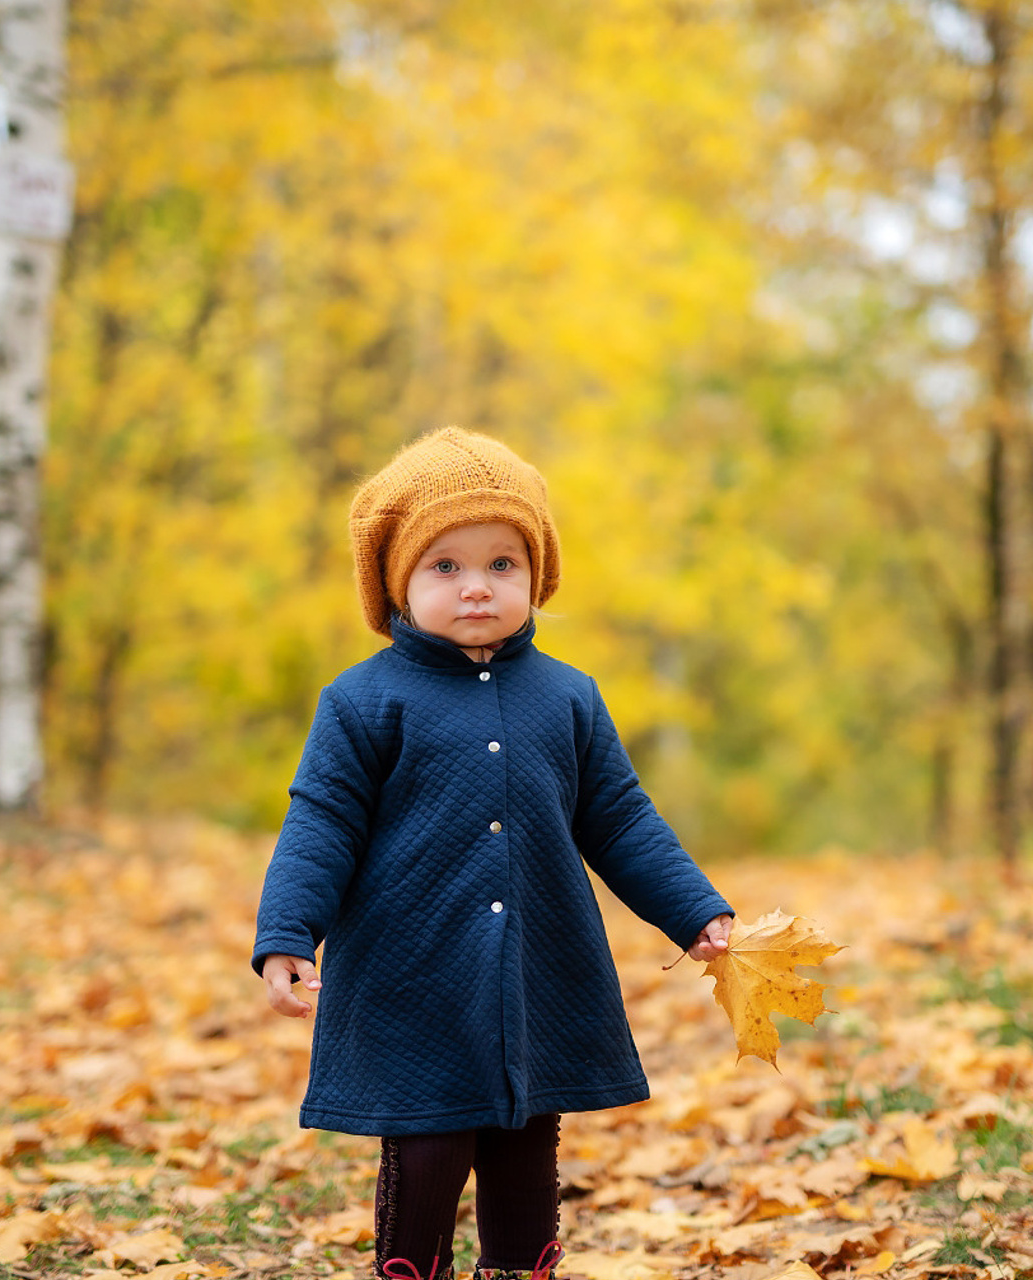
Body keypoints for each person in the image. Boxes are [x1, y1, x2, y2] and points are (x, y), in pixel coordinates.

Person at [253, 426, 734, 1280]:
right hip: (414, 975)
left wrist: (694, 910)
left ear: (535, 575)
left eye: (502, 565)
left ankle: (518, 1268)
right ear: (396, 583)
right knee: (429, 1150)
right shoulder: (364, 701)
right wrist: (289, 931)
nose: (477, 587)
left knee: (525, 1146)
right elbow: (321, 820)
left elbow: (619, 818)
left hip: (536, 973)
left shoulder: (568, 697)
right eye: (445, 567)